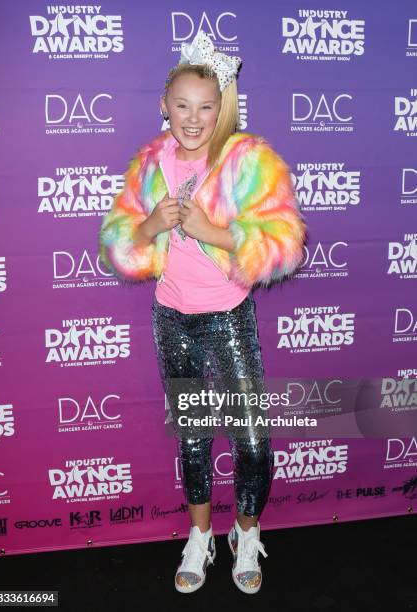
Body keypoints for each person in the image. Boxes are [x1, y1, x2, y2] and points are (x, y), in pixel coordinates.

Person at [99, 30, 307, 595]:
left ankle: (246, 530)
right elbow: (122, 240)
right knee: (192, 436)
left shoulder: (247, 159)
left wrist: (206, 229)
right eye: (183, 106)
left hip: (228, 317)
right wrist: (151, 225)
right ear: (164, 105)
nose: (193, 119)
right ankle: (199, 537)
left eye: (207, 108)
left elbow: (283, 240)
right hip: (173, 318)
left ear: (224, 108)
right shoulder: (149, 163)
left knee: (253, 440)